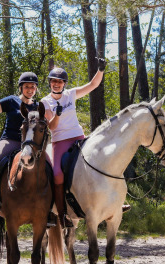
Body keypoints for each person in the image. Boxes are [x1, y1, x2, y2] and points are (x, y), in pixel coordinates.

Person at [41, 59, 130, 229]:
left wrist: (101, 69)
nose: (57, 84)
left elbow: (93, 85)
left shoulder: (70, 94)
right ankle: (61, 213)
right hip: (60, 141)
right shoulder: (45, 102)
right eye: (54, 81)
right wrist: (57, 115)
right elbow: (51, 126)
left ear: (64, 84)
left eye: (60, 81)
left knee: (106, 159)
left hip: (79, 137)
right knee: (58, 174)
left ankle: (117, 203)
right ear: (50, 83)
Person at [0, 72, 42, 222]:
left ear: (36, 89)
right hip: (10, 141)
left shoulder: (38, 107)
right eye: (27, 86)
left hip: (30, 145)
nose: (30, 89)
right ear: (21, 88)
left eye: (33, 87)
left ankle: (49, 210)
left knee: (48, 169)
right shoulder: (11, 101)